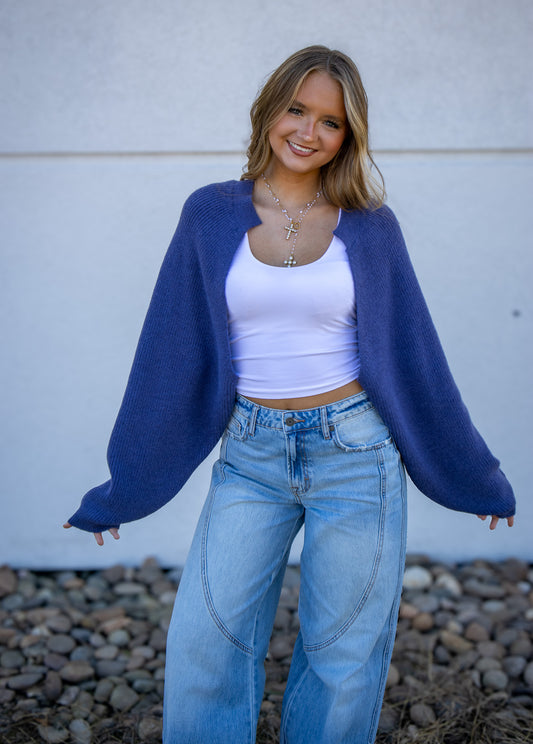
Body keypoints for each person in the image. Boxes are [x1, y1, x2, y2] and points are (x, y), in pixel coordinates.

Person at [65, 45, 515, 744]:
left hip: (356, 455)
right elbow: (168, 349)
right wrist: (126, 484)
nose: (308, 132)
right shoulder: (209, 213)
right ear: (269, 110)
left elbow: (413, 358)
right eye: (297, 110)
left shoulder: (369, 226)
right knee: (206, 643)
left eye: (330, 122)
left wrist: (473, 474)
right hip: (251, 455)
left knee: (342, 658)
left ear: (349, 135)